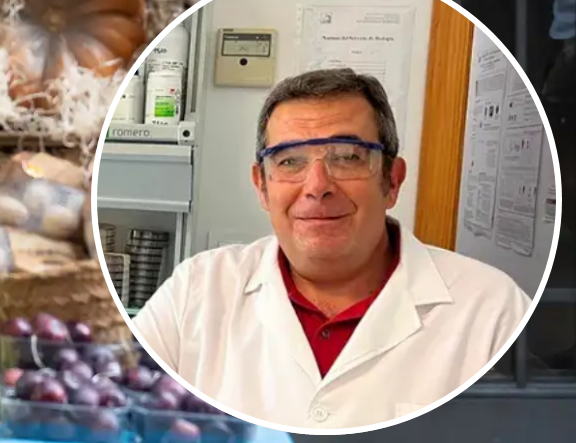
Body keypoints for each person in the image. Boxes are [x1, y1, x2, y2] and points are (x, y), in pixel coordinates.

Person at [131, 68, 533, 430]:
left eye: (347, 157)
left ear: (392, 181)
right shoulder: (195, 291)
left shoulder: (493, 310)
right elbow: (112, 404)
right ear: (262, 186)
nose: (317, 185)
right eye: (289, 162)